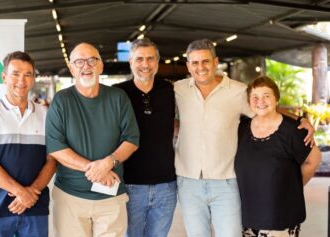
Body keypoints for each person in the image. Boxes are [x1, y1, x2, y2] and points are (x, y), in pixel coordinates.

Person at [174, 39, 314, 237]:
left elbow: (265, 108)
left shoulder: (238, 91)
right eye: (194, 63)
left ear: (215, 62)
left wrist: (299, 119)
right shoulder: (178, 90)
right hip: (188, 182)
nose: (200, 67)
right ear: (188, 65)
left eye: (205, 61)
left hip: (226, 182)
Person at [46, 42, 139, 237]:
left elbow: (131, 139)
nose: (86, 66)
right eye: (79, 62)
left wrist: (108, 163)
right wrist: (98, 170)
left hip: (111, 197)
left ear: (101, 65)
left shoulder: (118, 98)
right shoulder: (62, 101)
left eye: (91, 60)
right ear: (71, 68)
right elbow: (56, 147)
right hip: (70, 197)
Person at [0, 51, 56, 237]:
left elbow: (52, 160)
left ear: (33, 78)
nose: (22, 80)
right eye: (16, 74)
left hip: (35, 208)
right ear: (4, 77)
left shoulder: (46, 114)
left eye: (28, 74)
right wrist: (21, 193)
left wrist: (31, 193)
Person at [234, 76, 321, 237]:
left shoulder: (294, 130)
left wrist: (292, 186)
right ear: (249, 101)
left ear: (276, 99)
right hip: (249, 216)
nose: (260, 101)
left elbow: (313, 160)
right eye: (255, 97)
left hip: (281, 217)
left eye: (266, 95)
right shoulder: (242, 129)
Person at [114, 38, 177, 237]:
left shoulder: (170, 90)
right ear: (131, 62)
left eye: (150, 59)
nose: (145, 64)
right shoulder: (118, 93)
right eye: (139, 59)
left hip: (166, 185)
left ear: (157, 63)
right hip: (130, 184)